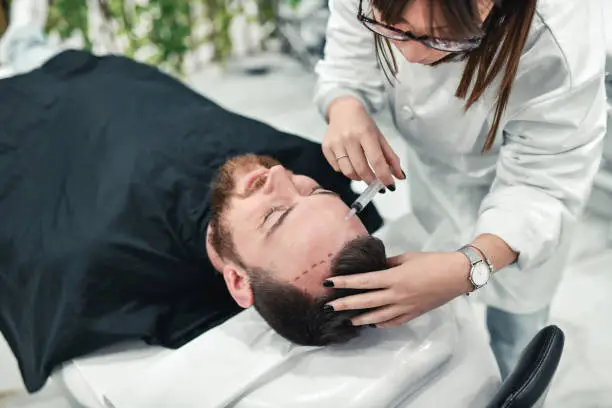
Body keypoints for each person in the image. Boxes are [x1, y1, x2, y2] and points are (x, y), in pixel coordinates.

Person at [0, 0, 386, 392]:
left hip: (24, 107)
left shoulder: (88, 262)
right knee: (37, 49)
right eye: (314, 190)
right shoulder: (297, 170)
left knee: (22, 59)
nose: (278, 175)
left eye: (273, 216)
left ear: (237, 281)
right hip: (106, 75)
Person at [314, 0, 608, 378]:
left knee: (517, 341)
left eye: (442, 39)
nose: (412, 54)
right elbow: (347, 56)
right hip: (439, 175)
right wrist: (345, 105)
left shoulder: (557, 41)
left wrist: (468, 269)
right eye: (392, 26)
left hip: (528, 201)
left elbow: (542, 182)